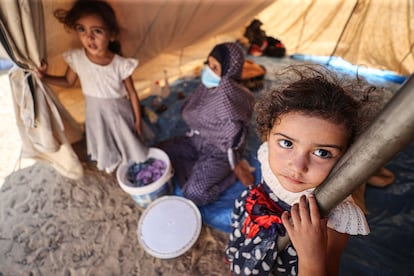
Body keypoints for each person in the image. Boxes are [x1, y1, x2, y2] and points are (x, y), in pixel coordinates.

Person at [225, 65, 375, 275]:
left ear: (345, 159)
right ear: (268, 134)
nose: (296, 167)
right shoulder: (268, 153)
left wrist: (311, 256)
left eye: (322, 153)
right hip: (251, 222)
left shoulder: (333, 219)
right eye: (287, 143)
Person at [35, 0, 148, 173]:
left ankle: (132, 162)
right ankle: (113, 164)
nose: (89, 37)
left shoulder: (120, 64)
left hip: (119, 111)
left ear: (111, 35)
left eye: (97, 31)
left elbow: (132, 94)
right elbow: (67, 81)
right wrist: (44, 77)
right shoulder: (77, 58)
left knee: (126, 137)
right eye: (82, 29)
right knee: (104, 139)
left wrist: (138, 120)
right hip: (95, 112)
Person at [158, 42, 255, 206]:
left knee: (194, 193)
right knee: (159, 153)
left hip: (219, 152)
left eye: (215, 67)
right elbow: (192, 111)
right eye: (209, 64)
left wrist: (234, 164)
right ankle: (197, 168)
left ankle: (230, 175)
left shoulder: (230, 99)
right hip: (195, 140)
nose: (208, 70)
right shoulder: (207, 87)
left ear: (228, 72)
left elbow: (232, 140)